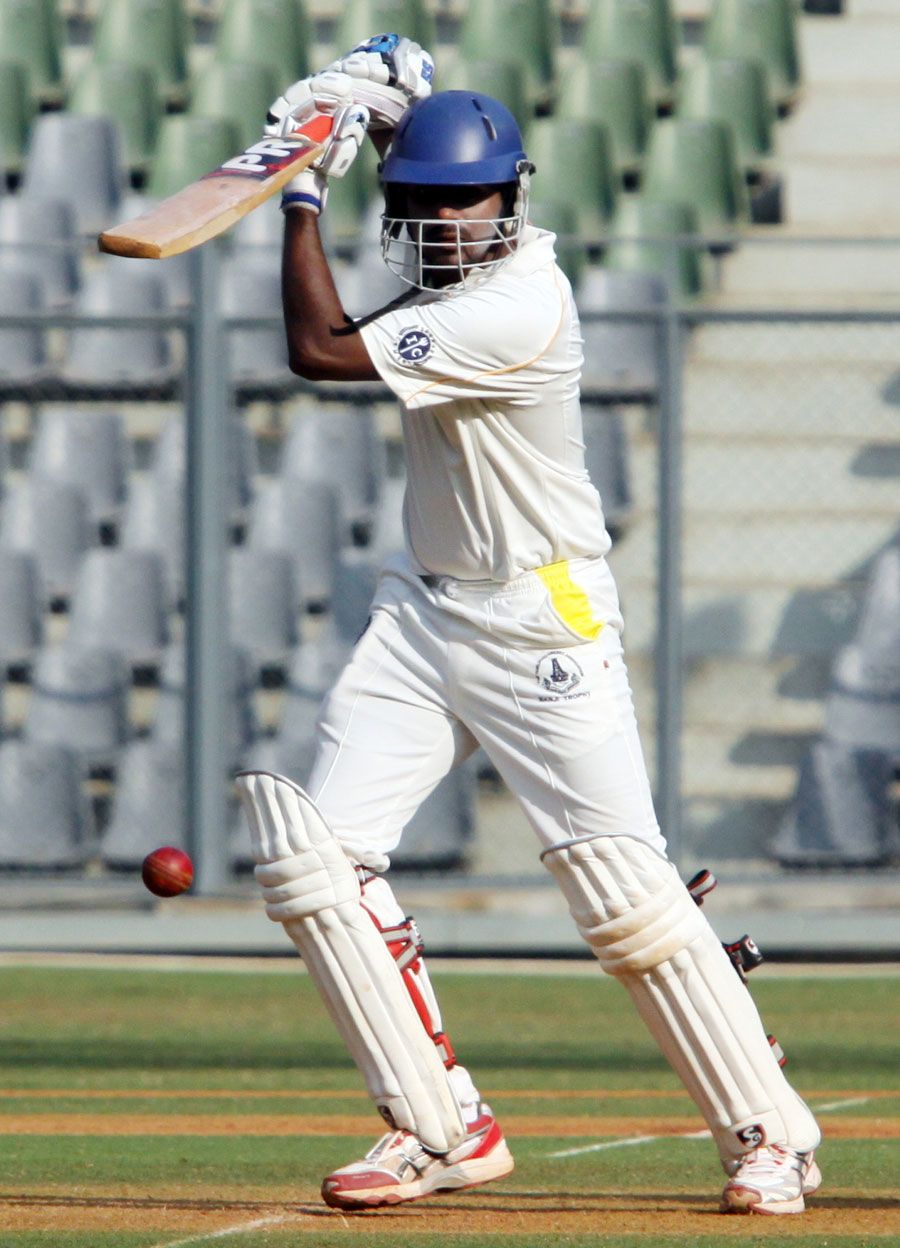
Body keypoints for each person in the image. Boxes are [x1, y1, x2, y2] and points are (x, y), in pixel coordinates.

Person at [236, 34, 822, 1217]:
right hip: (425, 611)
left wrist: (303, 183)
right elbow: (418, 215)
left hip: (540, 615)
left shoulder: (520, 301)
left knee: (624, 895)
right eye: (424, 203)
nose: (447, 219)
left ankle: (770, 1134)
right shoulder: (448, 277)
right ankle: (439, 1127)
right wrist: (398, 107)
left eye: (469, 198)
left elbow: (316, 348)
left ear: (514, 198)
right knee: (313, 862)